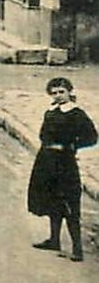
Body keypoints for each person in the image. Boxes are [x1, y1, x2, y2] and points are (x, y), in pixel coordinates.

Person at [28, 76, 98, 262]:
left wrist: (70, 146)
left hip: (65, 164)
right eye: (54, 92)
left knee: (69, 203)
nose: (58, 96)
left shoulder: (76, 114)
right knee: (51, 200)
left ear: (69, 92)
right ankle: (54, 240)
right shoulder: (50, 112)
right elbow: (43, 134)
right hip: (46, 161)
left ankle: (77, 249)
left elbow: (91, 137)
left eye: (61, 92)